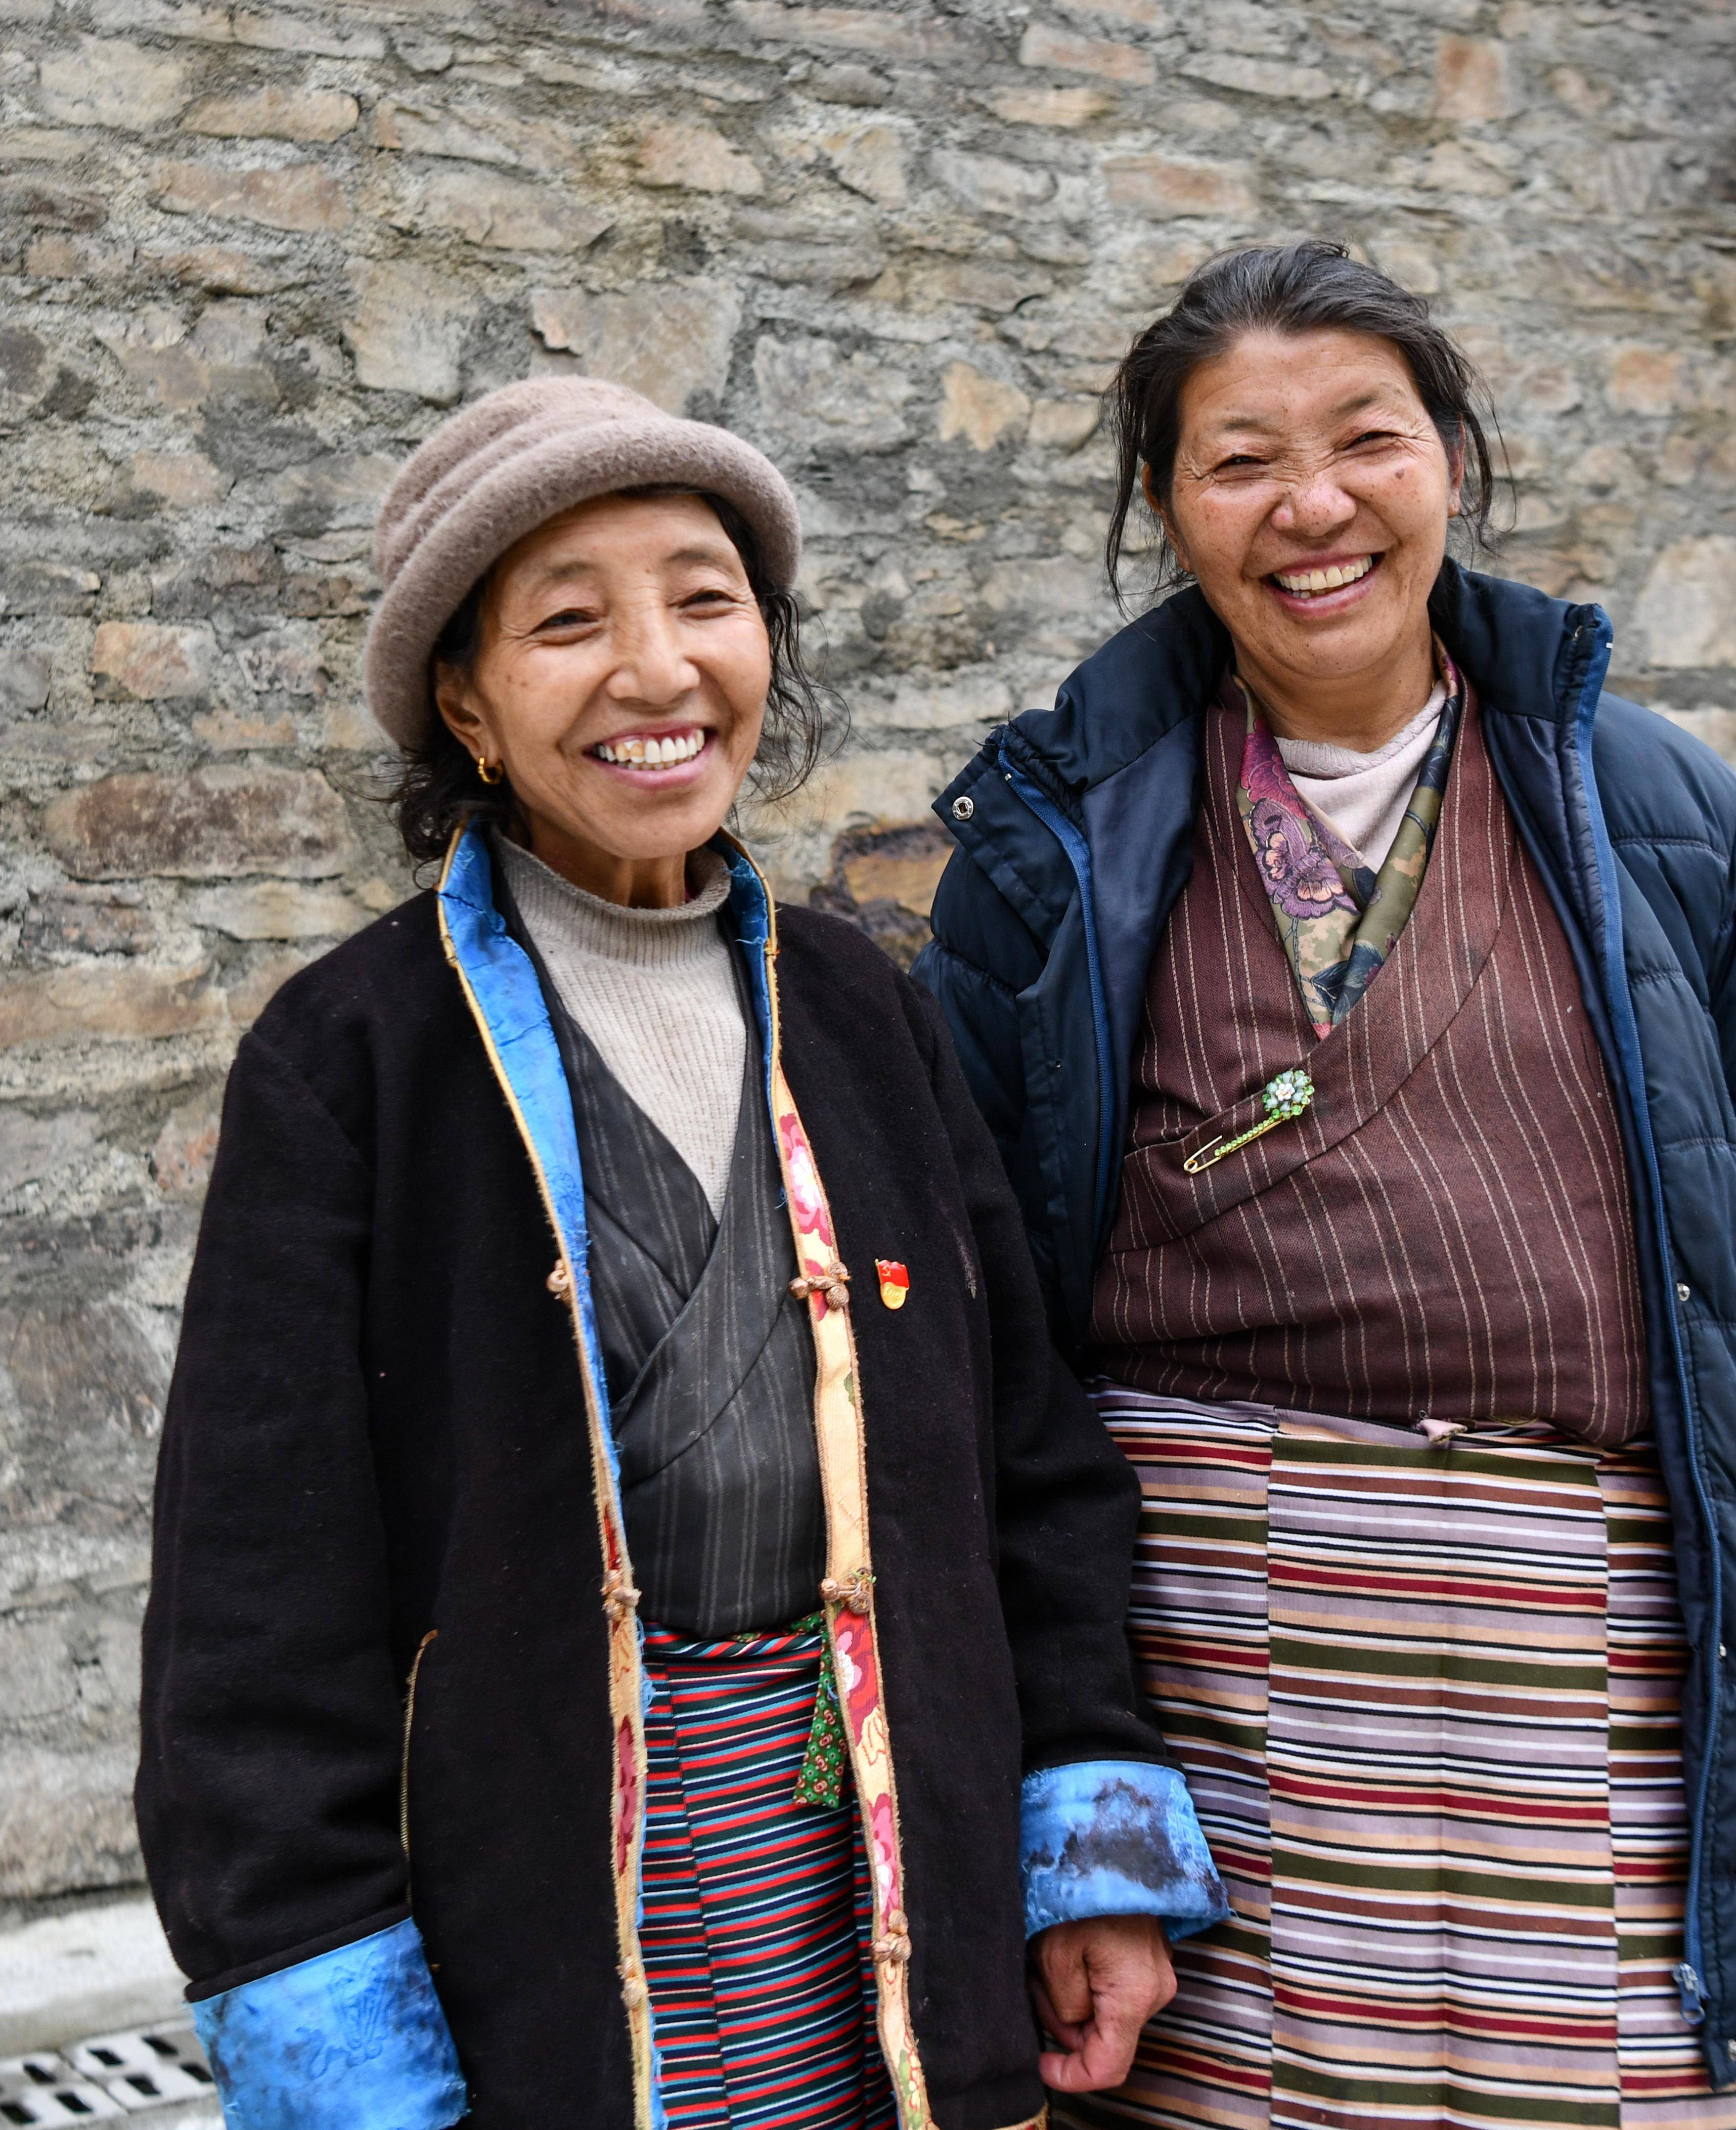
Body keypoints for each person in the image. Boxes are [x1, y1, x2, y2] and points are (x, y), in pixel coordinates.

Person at [915, 244, 1736, 2130]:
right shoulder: (1054, 851)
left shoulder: (1659, 813)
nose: (1310, 507)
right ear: (1163, 509)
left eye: (1364, 441)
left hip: (1606, 1660)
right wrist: (1061, 1773)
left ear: (1452, 464)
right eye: (1238, 460)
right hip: (1210, 1668)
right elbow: (979, 1335)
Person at [136, 376, 1227, 2130]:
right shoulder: (356, 1058)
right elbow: (254, 1606)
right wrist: (328, 2005)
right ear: (466, 707)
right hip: (551, 1901)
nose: (656, 670)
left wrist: (1086, 1849)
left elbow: (1024, 1461)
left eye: (704, 598)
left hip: (879, 1856)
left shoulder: (861, 1004)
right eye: (569, 622)